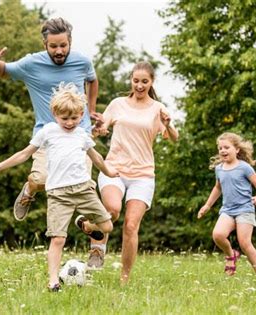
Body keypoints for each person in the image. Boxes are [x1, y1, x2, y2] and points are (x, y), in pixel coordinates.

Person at [0, 83, 118, 291]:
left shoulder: (82, 135)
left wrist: (109, 172)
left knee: (107, 226)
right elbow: (24, 154)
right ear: (55, 114)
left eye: (74, 118)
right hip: (58, 195)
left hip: (83, 190)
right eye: (65, 118)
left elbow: (96, 157)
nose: (70, 123)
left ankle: (85, 224)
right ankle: (53, 281)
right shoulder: (48, 132)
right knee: (57, 239)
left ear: (81, 115)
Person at [0, 17, 102, 221]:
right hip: (46, 137)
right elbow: (3, 72)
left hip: (79, 135)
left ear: (70, 42)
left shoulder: (82, 61)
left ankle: (96, 248)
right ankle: (29, 190)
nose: (59, 51)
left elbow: (92, 79)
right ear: (45, 44)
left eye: (63, 45)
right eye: (53, 46)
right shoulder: (31, 64)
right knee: (41, 180)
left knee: (85, 187)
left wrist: (90, 110)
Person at [91, 62, 179, 283]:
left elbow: (175, 137)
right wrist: (100, 129)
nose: (139, 85)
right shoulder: (118, 104)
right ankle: (97, 246)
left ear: (152, 82)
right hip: (115, 169)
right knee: (112, 209)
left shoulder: (157, 108)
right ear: (131, 80)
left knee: (131, 225)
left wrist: (167, 125)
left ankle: (124, 278)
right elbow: (101, 127)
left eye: (144, 81)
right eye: (136, 80)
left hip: (143, 175)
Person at [197, 132, 256, 278]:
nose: (223, 150)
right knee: (218, 235)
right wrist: (207, 206)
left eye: (227, 147)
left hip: (245, 209)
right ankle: (231, 254)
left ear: (237, 150)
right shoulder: (219, 169)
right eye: (220, 148)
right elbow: (218, 188)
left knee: (245, 243)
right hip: (227, 210)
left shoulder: (244, 167)